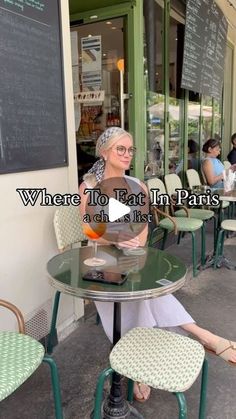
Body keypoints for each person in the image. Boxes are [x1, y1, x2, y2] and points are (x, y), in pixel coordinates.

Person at [79, 127, 236, 402]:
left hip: (133, 255)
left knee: (144, 291)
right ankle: (201, 335)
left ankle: (136, 366)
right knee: (144, 293)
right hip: (101, 260)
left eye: (130, 150)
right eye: (121, 149)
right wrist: (116, 239)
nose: (128, 154)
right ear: (104, 152)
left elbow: (142, 228)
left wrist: (133, 243)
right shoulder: (89, 186)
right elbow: (89, 229)